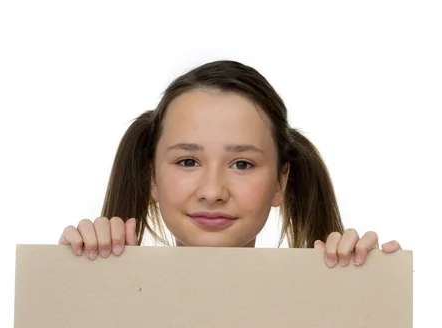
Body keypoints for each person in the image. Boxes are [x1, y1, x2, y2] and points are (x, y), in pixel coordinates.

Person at [59, 60, 401, 267]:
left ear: (281, 181)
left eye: (241, 164)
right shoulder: (95, 286)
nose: (212, 191)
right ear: (151, 177)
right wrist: (77, 278)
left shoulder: (335, 298)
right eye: (188, 161)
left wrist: (366, 283)